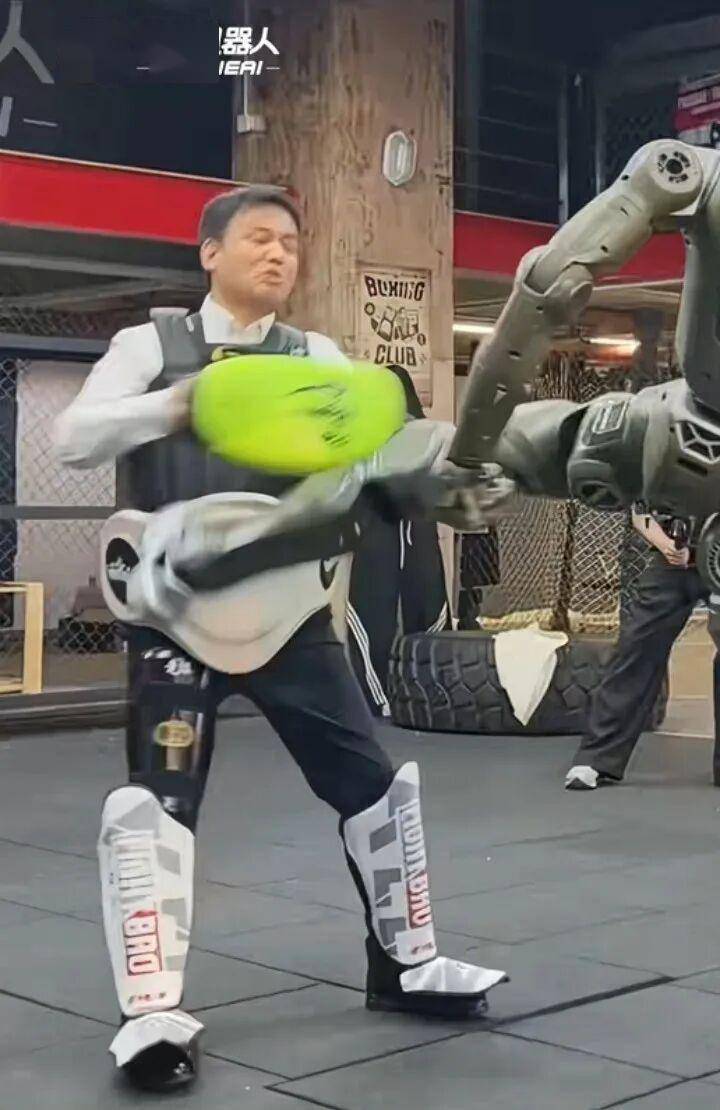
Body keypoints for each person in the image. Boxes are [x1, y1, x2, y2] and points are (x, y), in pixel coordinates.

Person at [53, 185, 506, 1094]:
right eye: (259, 238)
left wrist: (440, 477)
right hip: (177, 616)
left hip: (290, 614)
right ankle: (151, 1014)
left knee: (372, 785)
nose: (278, 255)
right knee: (157, 806)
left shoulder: (317, 358)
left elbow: (370, 456)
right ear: (210, 252)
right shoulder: (151, 346)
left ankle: (407, 966)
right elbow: (71, 439)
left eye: (291, 244)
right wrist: (183, 404)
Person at [565, 506, 718, 790]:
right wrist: (666, 545)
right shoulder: (664, 475)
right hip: (673, 562)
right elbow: (639, 511)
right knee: (637, 648)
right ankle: (596, 760)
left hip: (717, 558)